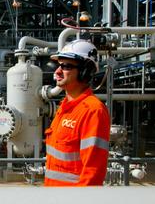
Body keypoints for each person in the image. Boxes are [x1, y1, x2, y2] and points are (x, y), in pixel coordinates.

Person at [44, 39, 111, 186]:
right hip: (53, 197)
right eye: (58, 65)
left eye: (66, 66)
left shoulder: (93, 111)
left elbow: (93, 172)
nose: (57, 71)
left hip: (73, 202)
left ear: (84, 71)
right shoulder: (65, 107)